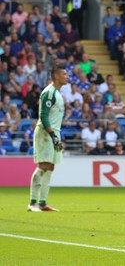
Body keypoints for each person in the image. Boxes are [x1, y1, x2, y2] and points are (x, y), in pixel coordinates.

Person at [27, 65, 69, 212]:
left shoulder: (57, 93)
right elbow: (43, 115)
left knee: (50, 166)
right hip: (45, 134)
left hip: (54, 133)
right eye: (64, 74)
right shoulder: (49, 93)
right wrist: (52, 135)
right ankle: (32, 203)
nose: (67, 76)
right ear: (56, 76)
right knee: (43, 166)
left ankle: (42, 203)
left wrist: (56, 135)